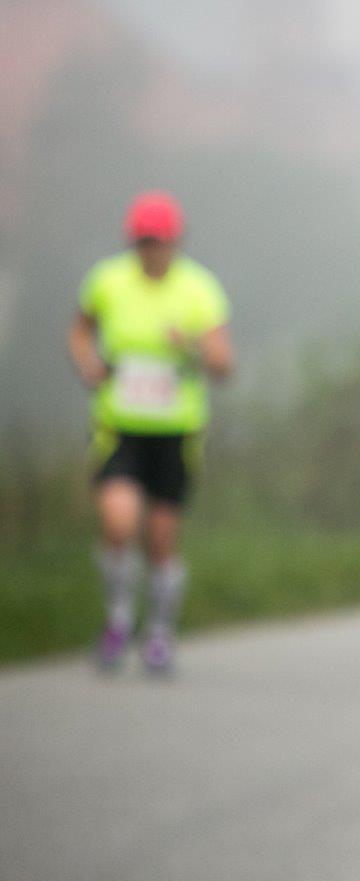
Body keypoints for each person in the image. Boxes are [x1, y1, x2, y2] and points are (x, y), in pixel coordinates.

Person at [67, 191, 234, 673]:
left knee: (160, 538)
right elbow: (79, 331)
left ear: (176, 242)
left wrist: (194, 347)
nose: (152, 251)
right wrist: (88, 364)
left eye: (160, 242)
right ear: (132, 242)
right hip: (119, 426)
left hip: (175, 432)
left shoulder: (198, 290)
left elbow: (224, 364)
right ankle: (119, 619)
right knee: (118, 522)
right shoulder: (107, 281)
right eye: (143, 242)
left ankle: (159, 631)